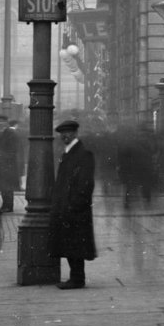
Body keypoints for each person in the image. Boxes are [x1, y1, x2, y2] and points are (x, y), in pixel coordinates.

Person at [48, 119, 97, 289]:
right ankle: (75, 278)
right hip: (67, 207)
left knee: (75, 245)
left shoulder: (83, 154)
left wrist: (74, 205)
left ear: (75, 133)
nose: (64, 136)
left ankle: (77, 279)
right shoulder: (68, 153)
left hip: (75, 208)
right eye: (62, 134)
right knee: (71, 244)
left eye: (68, 133)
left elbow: (86, 183)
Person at [0, 114, 20, 212]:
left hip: (8, 165)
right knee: (3, 186)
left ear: (6, 123)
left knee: (8, 187)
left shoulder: (11, 133)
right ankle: (5, 206)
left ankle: (9, 206)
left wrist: (1, 155)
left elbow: (13, 150)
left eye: (1, 121)